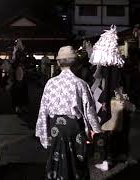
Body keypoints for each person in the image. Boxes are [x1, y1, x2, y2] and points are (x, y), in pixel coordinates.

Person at [35, 46, 102, 180]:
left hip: (56, 127)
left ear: (59, 64)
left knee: (56, 159)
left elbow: (43, 109)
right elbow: (89, 109)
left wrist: (42, 130)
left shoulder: (50, 83)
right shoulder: (80, 83)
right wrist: (96, 129)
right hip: (74, 127)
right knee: (76, 161)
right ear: (75, 64)